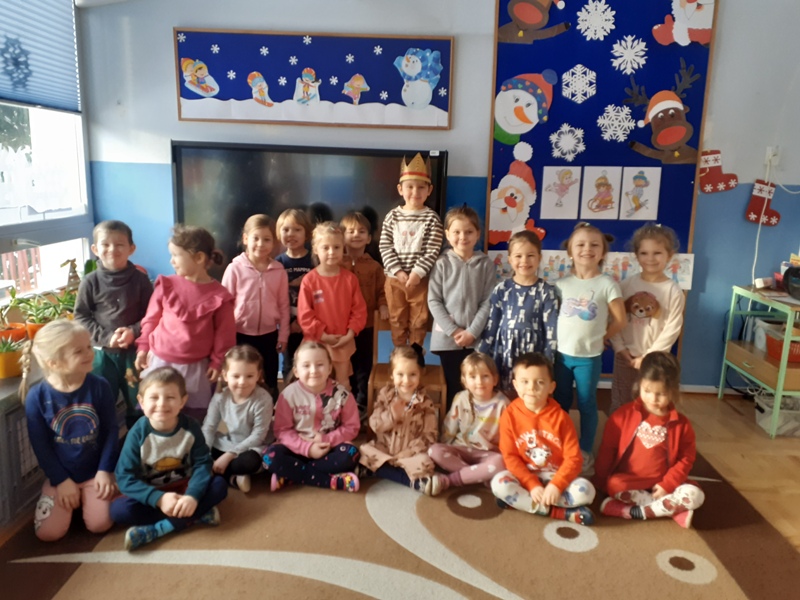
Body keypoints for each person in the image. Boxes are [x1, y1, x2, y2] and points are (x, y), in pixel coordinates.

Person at [21, 320, 119, 541]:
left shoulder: (100, 386)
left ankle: (96, 494)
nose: (89, 353)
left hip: (96, 472)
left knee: (100, 524)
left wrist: (105, 470)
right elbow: (41, 446)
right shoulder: (36, 397)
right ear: (54, 363)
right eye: (78, 351)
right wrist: (61, 480)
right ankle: (68, 495)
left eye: (88, 347)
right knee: (47, 534)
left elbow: (111, 432)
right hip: (61, 474)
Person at [111, 367, 228, 550]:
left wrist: (192, 496)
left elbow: (203, 463)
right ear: (141, 401)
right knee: (118, 511)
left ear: (183, 401)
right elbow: (124, 477)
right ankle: (197, 515)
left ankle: (160, 528)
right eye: (154, 397)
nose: (162, 404)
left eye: (170, 397)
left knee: (219, 486)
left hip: (185, 487)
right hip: (153, 490)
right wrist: (159, 499)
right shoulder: (137, 434)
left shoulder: (191, 426)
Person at [135, 225, 236, 422]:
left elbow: (225, 335)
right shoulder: (167, 285)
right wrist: (143, 346)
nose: (171, 261)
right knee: (159, 409)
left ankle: (190, 440)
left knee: (192, 415)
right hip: (160, 362)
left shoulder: (219, 296)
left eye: (176, 255)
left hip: (196, 367)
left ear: (198, 258)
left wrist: (217, 362)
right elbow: (151, 319)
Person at [595, 352, 704, 528]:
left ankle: (628, 511)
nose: (653, 399)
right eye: (647, 391)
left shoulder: (682, 424)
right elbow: (608, 450)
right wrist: (600, 481)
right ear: (639, 384)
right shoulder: (622, 415)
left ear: (673, 391)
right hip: (631, 481)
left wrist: (668, 484)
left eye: (661, 394)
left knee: (695, 495)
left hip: (664, 483)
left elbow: (686, 459)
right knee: (614, 485)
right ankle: (670, 509)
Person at [554, 222, 626, 474]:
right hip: (561, 356)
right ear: (570, 251)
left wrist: (603, 337)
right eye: (581, 244)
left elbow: (621, 320)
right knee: (560, 402)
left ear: (603, 252)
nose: (587, 249)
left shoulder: (607, 284)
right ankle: (559, 445)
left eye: (595, 245)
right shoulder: (561, 284)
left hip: (589, 358)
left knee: (586, 403)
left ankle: (584, 450)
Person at [490, 353, 595, 525]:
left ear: (551, 387)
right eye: (525, 382)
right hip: (524, 476)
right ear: (516, 385)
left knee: (587, 491)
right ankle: (559, 513)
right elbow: (510, 456)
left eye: (539, 382)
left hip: (555, 475)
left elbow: (574, 459)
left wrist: (556, 485)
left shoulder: (562, 418)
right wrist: (531, 484)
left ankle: (521, 502)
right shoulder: (509, 415)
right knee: (498, 484)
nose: (531, 388)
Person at [75, 220, 153, 429]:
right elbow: (81, 317)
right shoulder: (89, 282)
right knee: (101, 405)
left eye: (119, 244)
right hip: (102, 356)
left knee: (139, 404)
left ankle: (138, 443)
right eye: (105, 244)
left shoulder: (141, 280)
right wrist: (108, 337)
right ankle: (105, 446)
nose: (112, 250)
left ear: (131, 249)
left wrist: (133, 331)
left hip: (134, 355)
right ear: (95, 249)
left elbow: (152, 315)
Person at [264, 341, 361, 492]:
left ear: (329, 368)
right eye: (306, 366)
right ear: (296, 371)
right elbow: (282, 431)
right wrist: (307, 449)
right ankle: (332, 481)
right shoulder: (288, 395)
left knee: (351, 454)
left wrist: (325, 439)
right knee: (269, 457)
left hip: (329, 449)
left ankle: (292, 475)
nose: (314, 370)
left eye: (320, 365)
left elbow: (352, 427)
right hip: (295, 449)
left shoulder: (343, 395)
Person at [610, 224, 685, 413]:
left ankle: (646, 433)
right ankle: (619, 432)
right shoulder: (626, 285)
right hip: (626, 357)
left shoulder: (673, 291)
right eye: (644, 253)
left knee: (651, 404)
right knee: (621, 402)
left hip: (655, 360)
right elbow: (615, 319)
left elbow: (672, 328)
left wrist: (648, 356)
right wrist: (620, 348)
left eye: (657, 253)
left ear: (670, 255)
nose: (650, 258)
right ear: (636, 256)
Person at [428, 206, 496, 409]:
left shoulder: (485, 264)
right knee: (454, 388)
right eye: (456, 232)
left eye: (468, 232)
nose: (462, 237)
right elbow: (434, 301)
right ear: (447, 234)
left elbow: (488, 301)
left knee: (477, 387)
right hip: (448, 341)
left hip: (476, 340)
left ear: (478, 234)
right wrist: (454, 331)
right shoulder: (441, 263)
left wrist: (472, 332)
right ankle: (453, 425)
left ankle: (475, 424)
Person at [479, 230, 559, 397]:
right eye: (518, 256)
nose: (524, 261)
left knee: (531, 395)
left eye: (530, 255)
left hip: (533, 355)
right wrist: (482, 355)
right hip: (505, 352)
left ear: (539, 257)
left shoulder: (546, 291)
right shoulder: (502, 289)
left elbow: (551, 331)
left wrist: (547, 363)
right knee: (506, 395)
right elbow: (492, 325)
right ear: (509, 259)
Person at [358, 345, 447, 495]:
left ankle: (377, 471)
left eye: (412, 374)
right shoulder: (385, 395)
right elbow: (374, 424)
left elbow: (430, 435)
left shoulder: (425, 402)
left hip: (410, 455)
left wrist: (409, 452)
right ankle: (408, 480)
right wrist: (391, 416)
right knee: (363, 451)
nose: (406, 380)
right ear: (392, 375)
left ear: (420, 374)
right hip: (384, 449)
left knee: (426, 463)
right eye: (400, 374)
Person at [379, 153, 444, 355]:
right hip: (394, 280)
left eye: (421, 187)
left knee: (419, 319)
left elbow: (432, 250)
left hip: (420, 281)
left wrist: (417, 273)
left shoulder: (432, 218)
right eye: (410, 186)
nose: (415, 192)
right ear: (400, 189)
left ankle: (415, 355)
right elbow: (385, 246)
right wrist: (398, 271)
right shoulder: (392, 216)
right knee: (397, 319)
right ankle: (400, 354)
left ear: (429, 190)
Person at [222, 214, 290, 399]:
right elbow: (225, 307)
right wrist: (226, 338)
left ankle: (268, 413)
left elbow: (284, 306)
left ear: (274, 242)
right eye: (256, 238)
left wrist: (283, 335)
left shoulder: (279, 271)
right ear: (245, 239)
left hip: (269, 335)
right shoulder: (234, 269)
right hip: (240, 335)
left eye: (267, 239)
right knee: (242, 380)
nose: (261, 244)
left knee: (269, 381)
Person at [298, 221, 367, 389]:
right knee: (315, 382)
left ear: (343, 248)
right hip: (316, 342)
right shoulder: (309, 280)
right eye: (326, 247)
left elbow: (359, 310)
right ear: (316, 249)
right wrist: (322, 335)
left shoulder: (350, 279)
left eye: (336, 247)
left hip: (342, 342)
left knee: (342, 383)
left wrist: (350, 334)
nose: (331, 252)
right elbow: (305, 315)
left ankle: (342, 407)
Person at [428, 353, 509, 487]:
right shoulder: (461, 398)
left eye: (485, 376)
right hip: (461, 449)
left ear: (495, 380)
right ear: (465, 381)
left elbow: (508, 436)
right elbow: (449, 427)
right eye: (473, 377)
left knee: (501, 462)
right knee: (434, 450)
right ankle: (477, 475)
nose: (479, 382)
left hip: (488, 454)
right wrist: (445, 446)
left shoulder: (503, 403)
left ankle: (453, 479)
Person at [202, 345, 274, 493]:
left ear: (258, 375)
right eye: (236, 376)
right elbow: (209, 427)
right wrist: (204, 455)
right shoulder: (220, 397)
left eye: (249, 376)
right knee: (197, 450)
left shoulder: (263, 399)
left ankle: (220, 472)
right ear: (225, 375)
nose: (242, 382)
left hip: (252, 446)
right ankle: (232, 477)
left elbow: (258, 436)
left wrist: (229, 455)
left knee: (251, 462)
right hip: (227, 442)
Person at [340, 211, 389, 415]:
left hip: (367, 325)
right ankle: (345, 403)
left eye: (361, 231)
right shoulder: (336, 264)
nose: (356, 235)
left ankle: (362, 405)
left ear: (369, 238)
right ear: (341, 236)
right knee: (344, 364)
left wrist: (383, 305)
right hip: (341, 326)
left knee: (364, 365)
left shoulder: (375, 267)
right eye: (350, 231)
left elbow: (382, 291)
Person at [275, 208, 315, 377]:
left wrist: (302, 322)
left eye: (297, 229)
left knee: (312, 361)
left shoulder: (314, 260)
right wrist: (288, 324)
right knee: (289, 364)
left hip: (312, 323)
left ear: (307, 234)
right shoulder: (277, 263)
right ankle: (287, 393)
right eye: (286, 229)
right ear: (278, 233)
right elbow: (274, 296)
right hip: (287, 325)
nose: (291, 234)